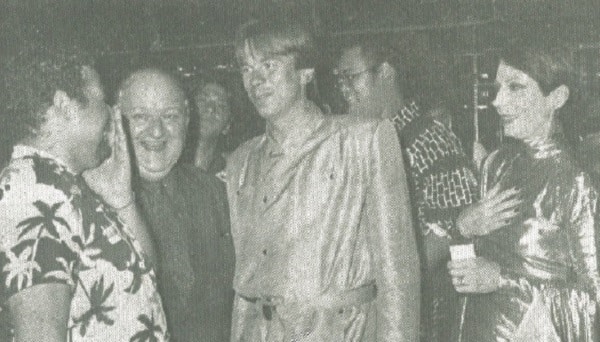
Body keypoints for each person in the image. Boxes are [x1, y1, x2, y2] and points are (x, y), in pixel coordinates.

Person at [226, 17, 420, 341]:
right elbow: (245, 288)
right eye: (246, 68)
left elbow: (398, 275)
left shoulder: (363, 140)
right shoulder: (240, 164)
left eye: (269, 65)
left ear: (305, 72)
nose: (255, 80)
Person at [0, 33, 168, 341]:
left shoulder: (67, 185)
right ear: (65, 105)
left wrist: (121, 198)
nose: (111, 112)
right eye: (102, 100)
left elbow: (146, 279)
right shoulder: (32, 192)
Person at [448, 40, 600, 341]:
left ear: (556, 97)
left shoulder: (576, 181)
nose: (498, 102)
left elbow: (592, 301)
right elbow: (468, 272)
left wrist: (502, 281)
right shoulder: (496, 165)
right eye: (498, 88)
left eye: (515, 87)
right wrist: (461, 228)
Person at [334, 37, 478, 342]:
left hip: (423, 314)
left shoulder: (431, 141)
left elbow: (455, 231)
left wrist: (380, 275)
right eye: (339, 79)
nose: (343, 87)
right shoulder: (351, 144)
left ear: (386, 72)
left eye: (351, 76)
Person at [117, 68, 235, 342]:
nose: (157, 131)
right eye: (140, 117)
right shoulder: (92, 200)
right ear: (117, 120)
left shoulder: (215, 193)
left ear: (186, 120)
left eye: (170, 116)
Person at [189, 78, 233, 177]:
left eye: (221, 105)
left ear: (227, 126)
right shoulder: (163, 162)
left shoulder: (233, 172)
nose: (210, 109)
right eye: (202, 100)